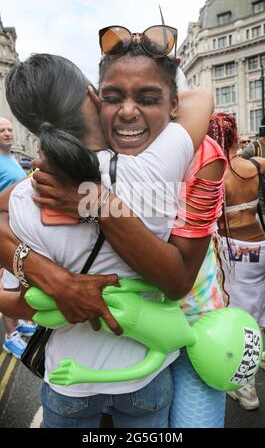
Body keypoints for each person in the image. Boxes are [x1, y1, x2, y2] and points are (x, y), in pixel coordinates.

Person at [0, 48, 218, 428]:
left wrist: (64, 292)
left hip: (69, 381)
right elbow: (201, 97)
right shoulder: (152, 169)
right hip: (143, 376)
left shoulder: (22, 200)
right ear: (91, 94)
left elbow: (16, 303)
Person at [207, 112, 265, 410]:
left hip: (237, 253)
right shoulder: (258, 165)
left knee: (241, 320)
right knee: (260, 307)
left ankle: (246, 389)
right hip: (262, 244)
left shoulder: (215, 174)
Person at [0, 117, 36, 358]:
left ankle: (20, 322)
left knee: (17, 279)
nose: (7, 133)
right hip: (4, 231)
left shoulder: (11, 157)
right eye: (1, 130)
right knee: (5, 285)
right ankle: (10, 335)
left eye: (9, 129)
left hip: (17, 231)